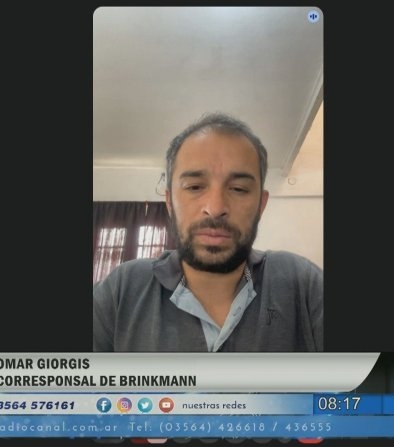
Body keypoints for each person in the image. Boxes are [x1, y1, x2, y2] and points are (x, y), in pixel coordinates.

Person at [93, 112, 323, 351]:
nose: (215, 208)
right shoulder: (122, 290)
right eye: (194, 187)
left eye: (238, 189)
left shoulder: (302, 283)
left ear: (261, 205)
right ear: (169, 202)